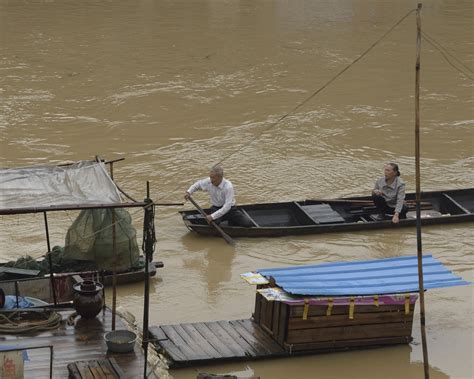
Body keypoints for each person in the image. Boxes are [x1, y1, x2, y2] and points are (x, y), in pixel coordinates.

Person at [184, 166, 254, 227]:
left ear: (220, 177)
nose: (211, 180)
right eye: (210, 177)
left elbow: (227, 207)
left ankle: (231, 220)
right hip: (216, 208)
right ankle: (223, 220)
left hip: (230, 210)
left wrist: (212, 216)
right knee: (213, 224)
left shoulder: (228, 186)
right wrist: (189, 192)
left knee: (248, 224)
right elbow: (197, 185)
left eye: (213, 178)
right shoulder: (209, 181)